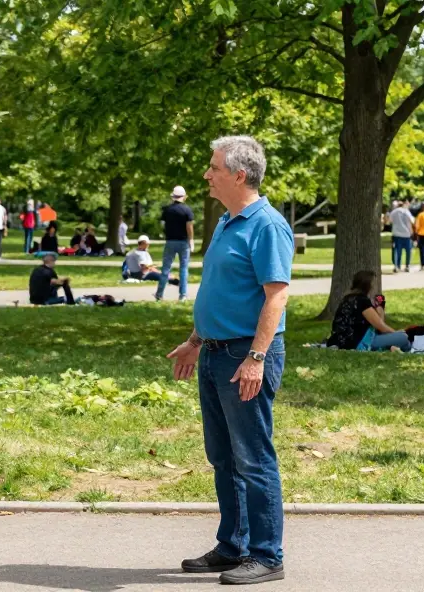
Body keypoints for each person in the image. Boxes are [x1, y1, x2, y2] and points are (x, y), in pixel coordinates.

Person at [167, 136, 290, 585]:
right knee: (223, 456)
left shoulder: (267, 225)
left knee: (253, 457)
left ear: (239, 175)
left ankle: (267, 555)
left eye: (214, 167)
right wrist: (195, 339)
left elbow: (275, 297)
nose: (207, 174)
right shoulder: (226, 222)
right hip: (215, 353)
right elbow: (222, 292)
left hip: (245, 356)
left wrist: (256, 358)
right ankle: (233, 545)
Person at [326, 271, 411, 351]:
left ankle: (394, 347)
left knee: (395, 337)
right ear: (368, 286)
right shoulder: (362, 301)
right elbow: (381, 327)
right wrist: (380, 308)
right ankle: (407, 349)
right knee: (404, 337)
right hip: (357, 343)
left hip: (340, 341)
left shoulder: (347, 299)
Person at [156, 185, 194, 301]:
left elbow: (161, 225)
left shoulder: (167, 210)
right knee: (183, 268)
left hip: (170, 241)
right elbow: (189, 227)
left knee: (166, 268)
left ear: (173, 197)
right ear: (184, 197)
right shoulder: (187, 210)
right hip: (183, 242)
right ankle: (182, 295)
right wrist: (191, 240)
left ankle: (159, 294)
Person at [388, 200, 414, 273]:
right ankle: (407, 265)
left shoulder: (394, 212)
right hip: (406, 234)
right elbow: (412, 221)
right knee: (408, 251)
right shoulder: (407, 212)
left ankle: (397, 266)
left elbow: (389, 221)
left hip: (396, 234)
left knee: (397, 250)